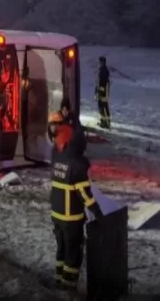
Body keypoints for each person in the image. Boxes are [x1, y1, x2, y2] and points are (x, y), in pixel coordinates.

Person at [48, 112, 102, 297]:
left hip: (56, 214)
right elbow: (84, 193)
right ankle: (68, 288)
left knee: (61, 250)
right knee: (73, 254)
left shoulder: (57, 157)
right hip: (71, 217)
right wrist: (96, 210)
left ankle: (58, 281)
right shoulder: (77, 164)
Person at [94, 56, 111, 129]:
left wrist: (99, 92)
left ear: (103, 62)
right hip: (102, 92)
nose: (99, 63)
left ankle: (106, 123)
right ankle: (104, 122)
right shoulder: (102, 70)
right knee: (102, 107)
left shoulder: (104, 71)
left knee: (103, 107)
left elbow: (102, 83)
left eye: (100, 62)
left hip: (103, 93)